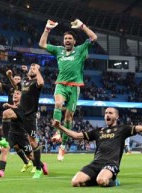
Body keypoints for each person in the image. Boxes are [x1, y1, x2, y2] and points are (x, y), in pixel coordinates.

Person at [55, 107, 142, 187]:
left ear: (117, 116)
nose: (107, 115)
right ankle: (97, 179)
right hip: (95, 163)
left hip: (111, 164)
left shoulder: (123, 129)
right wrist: (60, 127)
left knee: (101, 181)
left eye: (110, 113)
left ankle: (113, 181)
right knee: (75, 182)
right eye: (106, 113)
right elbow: (76, 135)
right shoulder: (98, 131)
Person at [39, 19, 98, 161]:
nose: (67, 40)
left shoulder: (81, 50)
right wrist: (47, 29)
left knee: (69, 117)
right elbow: (42, 44)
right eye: (65, 38)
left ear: (74, 41)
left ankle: (63, 147)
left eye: (70, 38)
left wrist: (83, 26)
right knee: (58, 104)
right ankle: (57, 133)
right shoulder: (58, 50)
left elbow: (94, 38)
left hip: (75, 87)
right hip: (61, 84)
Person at [0, 90, 48, 178]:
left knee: (31, 156)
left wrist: (9, 106)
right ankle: (1, 171)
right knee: (4, 149)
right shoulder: (13, 109)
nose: (15, 94)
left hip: (22, 136)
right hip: (12, 134)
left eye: (18, 94)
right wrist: (1, 128)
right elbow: (10, 121)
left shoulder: (23, 108)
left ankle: (42, 165)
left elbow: (17, 114)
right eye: (14, 93)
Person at [6, 63, 45, 179]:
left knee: (32, 142)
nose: (32, 69)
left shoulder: (36, 82)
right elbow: (15, 86)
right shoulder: (24, 82)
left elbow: (41, 83)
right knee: (6, 114)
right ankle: (5, 139)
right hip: (20, 113)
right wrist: (9, 76)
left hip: (30, 116)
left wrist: (37, 70)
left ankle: (38, 168)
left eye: (34, 68)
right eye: (31, 68)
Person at [0, 66, 33, 172]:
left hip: (22, 115)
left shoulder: (22, 90)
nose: (17, 81)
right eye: (16, 79)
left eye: (19, 80)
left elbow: (18, 85)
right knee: (14, 145)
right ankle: (27, 162)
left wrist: (10, 76)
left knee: (27, 143)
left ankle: (37, 164)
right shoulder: (10, 89)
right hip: (13, 115)